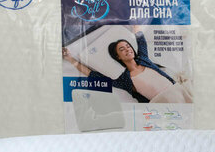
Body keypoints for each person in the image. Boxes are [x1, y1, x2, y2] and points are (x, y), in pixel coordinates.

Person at [62, 25, 192, 103]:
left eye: (128, 46)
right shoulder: (124, 79)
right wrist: (70, 59)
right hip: (163, 101)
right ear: (118, 56)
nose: (127, 49)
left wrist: (136, 25)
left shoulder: (144, 59)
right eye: (122, 49)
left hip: (179, 92)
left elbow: (141, 41)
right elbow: (92, 74)